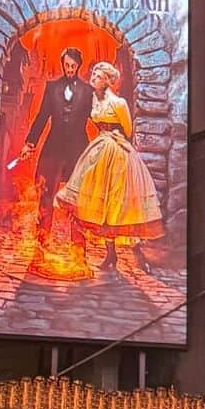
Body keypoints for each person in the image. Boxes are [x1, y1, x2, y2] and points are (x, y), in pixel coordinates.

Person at [54, 61, 164, 272]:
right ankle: (110, 254)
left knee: (119, 202)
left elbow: (128, 130)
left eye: (97, 75)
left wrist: (114, 138)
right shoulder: (94, 101)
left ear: (106, 80)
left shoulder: (118, 103)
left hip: (117, 151)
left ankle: (137, 252)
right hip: (99, 149)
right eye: (93, 74)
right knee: (101, 201)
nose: (93, 78)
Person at [21, 47, 95, 231]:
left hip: (78, 150)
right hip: (53, 148)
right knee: (46, 196)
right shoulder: (52, 87)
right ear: (63, 64)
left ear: (78, 66)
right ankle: (41, 246)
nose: (70, 69)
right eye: (67, 65)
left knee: (77, 201)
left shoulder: (87, 91)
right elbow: (42, 116)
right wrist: (30, 143)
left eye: (73, 66)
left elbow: (97, 116)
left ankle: (78, 251)